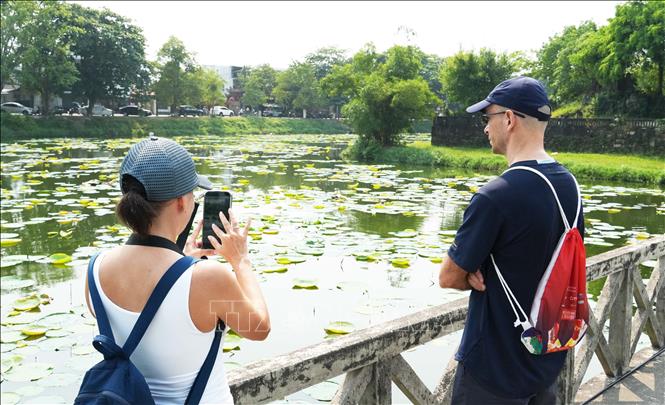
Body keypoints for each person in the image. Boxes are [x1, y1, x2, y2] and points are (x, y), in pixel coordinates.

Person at [84, 134, 270, 404]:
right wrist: (241, 261)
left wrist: (181, 260)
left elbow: (150, 306)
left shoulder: (94, 270)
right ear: (183, 202)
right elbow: (259, 328)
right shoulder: (207, 278)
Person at [438, 77, 584, 404]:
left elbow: (448, 277)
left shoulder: (495, 197)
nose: (485, 129)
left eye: (487, 118)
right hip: (545, 365)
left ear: (509, 119)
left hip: (492, 374)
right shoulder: (570, 186)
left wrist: (477, 274)